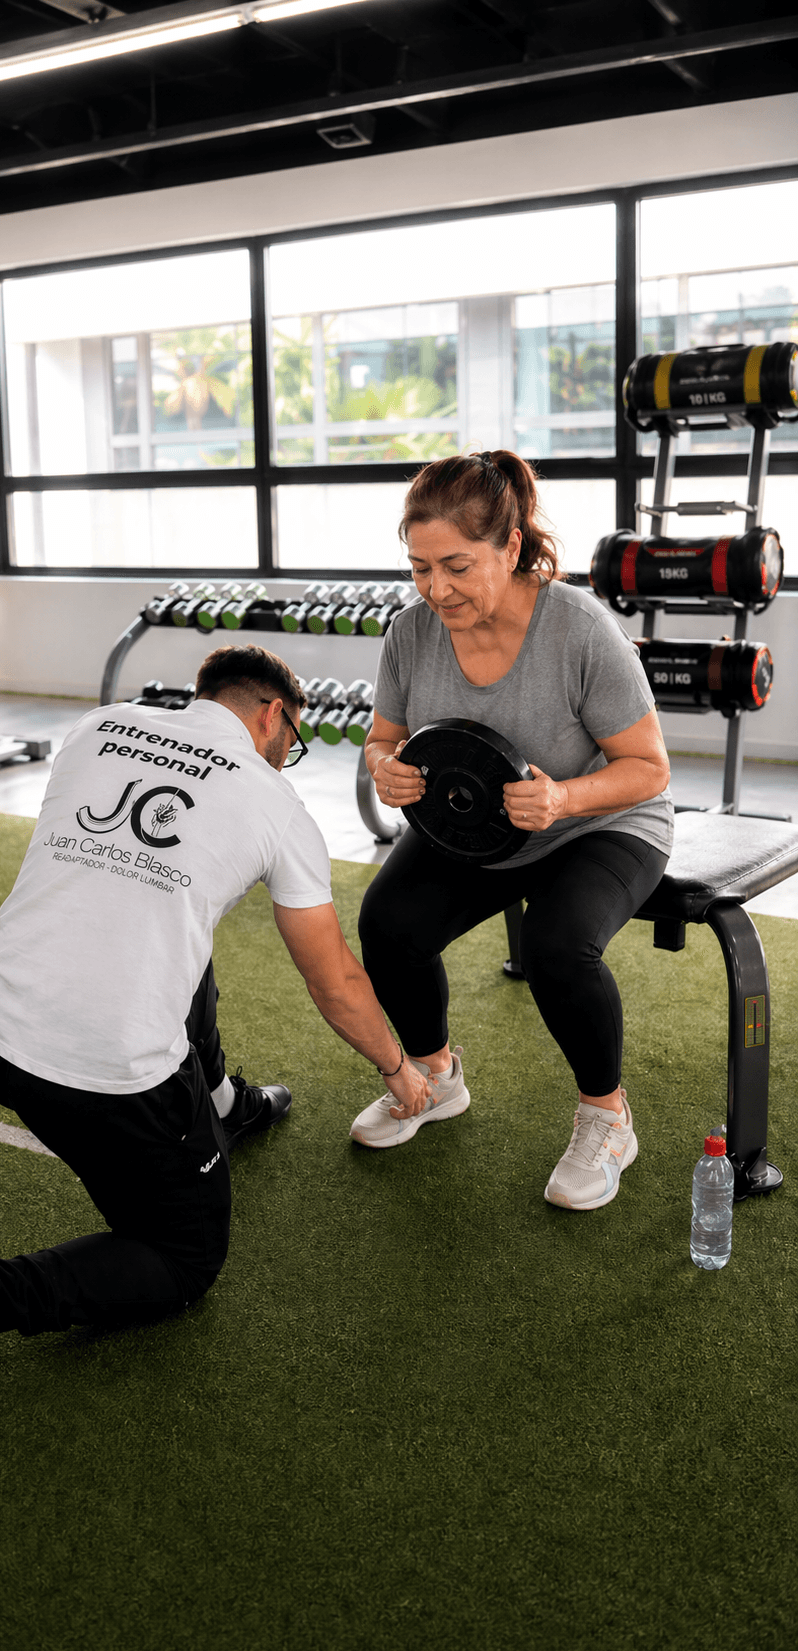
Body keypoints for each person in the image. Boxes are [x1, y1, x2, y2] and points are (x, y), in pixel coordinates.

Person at [0, 644, 426, 1421]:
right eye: (290, 739)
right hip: (106, 1074)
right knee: (182, 1257)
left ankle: (223, 1104)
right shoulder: (275, 804)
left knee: (171, 927)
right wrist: (398, 1068)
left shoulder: (97, 726)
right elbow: (333, 980)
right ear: (273, 713)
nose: (285, 754)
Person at [352, 451, 673, 1214]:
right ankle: (435, 1078)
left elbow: (648, 769)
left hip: (599, 822)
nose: (436, 589)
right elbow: (382, 738)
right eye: (419, 568)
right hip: (480, 829)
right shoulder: (411, 632)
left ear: (511, 546)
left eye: (456, 567)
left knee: (557, 946)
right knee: (388, 924)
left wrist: (561, 798)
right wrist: (385, 768)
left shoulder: (578, 629)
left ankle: (606, 1117)